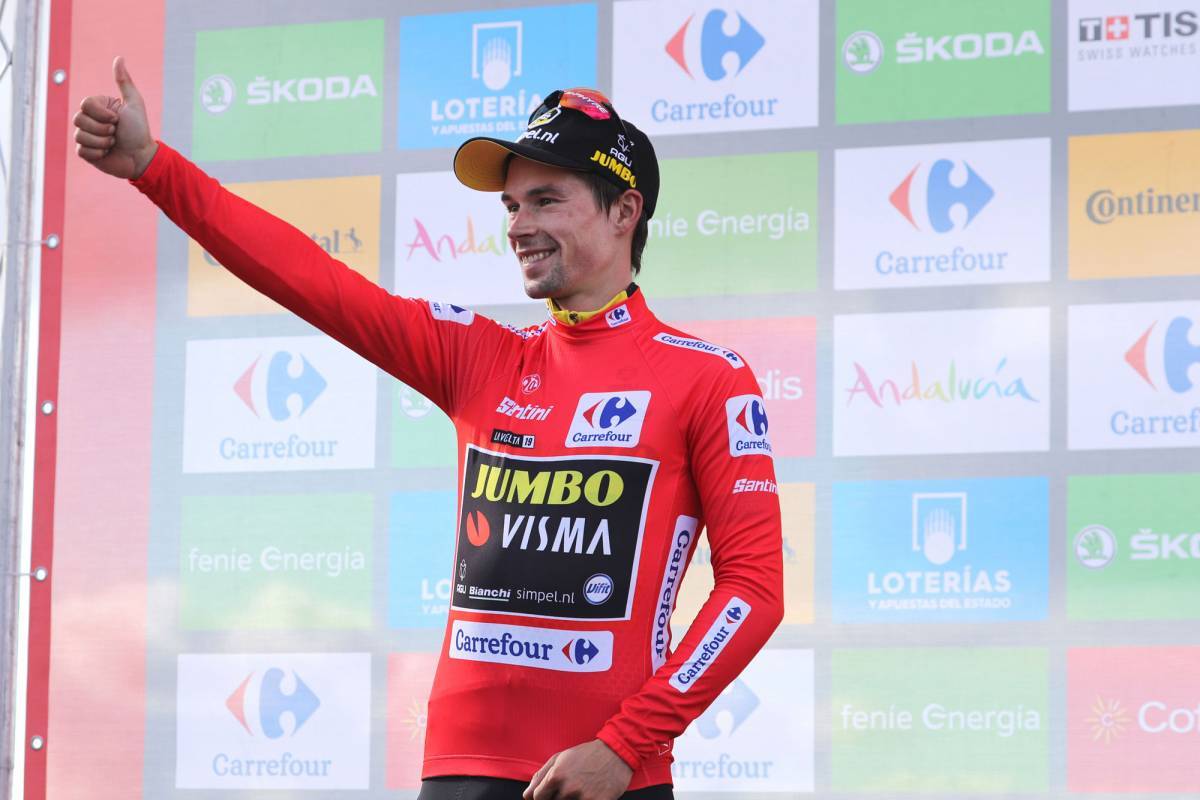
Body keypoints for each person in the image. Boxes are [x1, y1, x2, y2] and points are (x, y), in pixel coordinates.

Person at [75, 57, 784, 800]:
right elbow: (311, 278)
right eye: (511, 206)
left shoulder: (707, 377)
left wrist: (626, 744)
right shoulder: (481, 357)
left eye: (546, 200)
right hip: (461, 763)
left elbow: (754, 589)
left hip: (609, 773)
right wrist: (154, 168)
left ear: (624, 211)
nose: (520, 226)